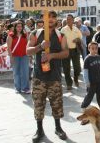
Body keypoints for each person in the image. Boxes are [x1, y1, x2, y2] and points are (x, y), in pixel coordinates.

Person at [26, 10, 69, 142]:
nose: (50, 19)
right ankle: (39, 130)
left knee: (57, 104)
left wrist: (52, 55)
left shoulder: (61, 35)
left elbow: (66, 53)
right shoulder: (35, 33)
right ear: (42, 19)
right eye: (47, 17)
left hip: (55, 77)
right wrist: (40, 46)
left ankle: (58, 128)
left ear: (56, 20)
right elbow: (27, 51)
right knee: (38, 105)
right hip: (39, 77)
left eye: (53, 17)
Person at [7, 20, 30, 94]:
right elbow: (9, 47)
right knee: (16, 72)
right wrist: (11, 57)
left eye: (21, 26)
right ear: (15, 27)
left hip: (24, 55)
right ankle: (18, 88)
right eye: (18, 26)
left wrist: (30, 55)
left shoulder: (25, 35)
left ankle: (25, 88)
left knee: (25, 72)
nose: (19, 28)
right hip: (15, 56)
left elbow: (28, 45)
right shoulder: (11, 35)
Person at [61, 14, 82, 89]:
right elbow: (60, 40)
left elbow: (80, 38)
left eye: (70, 19)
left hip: (75, 50)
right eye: (67, 19)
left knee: (77, 68)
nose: (68, 20)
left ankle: (76, 79)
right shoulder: (63, 30)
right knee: (66, 68)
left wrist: (77, 40)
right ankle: (69, 84)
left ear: (73, 20)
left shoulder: (76, 29)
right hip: (66, 50)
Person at [81, 42, 100, 108]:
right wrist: (87, 82)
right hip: (91, 82)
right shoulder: (87, 59)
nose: (94, 50)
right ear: (89, 49)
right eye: (92, 48)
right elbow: (85, 72)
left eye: (96, 48)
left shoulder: (98, 57)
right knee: (89, 95)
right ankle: (84, 107)